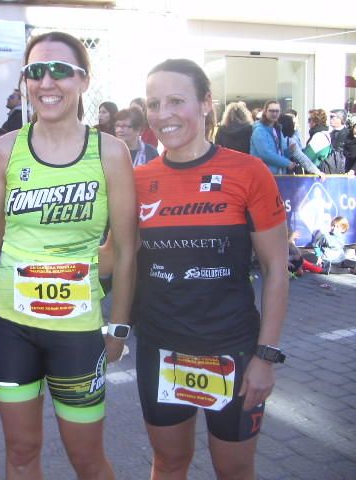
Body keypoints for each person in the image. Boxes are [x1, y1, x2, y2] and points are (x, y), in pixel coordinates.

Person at [0, 31, 137, 479]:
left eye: (60, 70)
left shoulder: (111, 152)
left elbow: (129, 250)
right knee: (20, 453)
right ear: (25, 82)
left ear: (84, 81)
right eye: (35, 71)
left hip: (76, 330)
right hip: (10, 325)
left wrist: (118, 327)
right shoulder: (5, 148)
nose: (47, 82)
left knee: (87, 459)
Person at [133, 58, 288, 479]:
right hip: (160, 348)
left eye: (176, 101)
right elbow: (118, 255)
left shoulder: (249, 172)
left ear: (205, 103)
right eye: (153, 103)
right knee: (168, 464)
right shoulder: (138, 180)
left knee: (233, 471)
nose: (163, 114)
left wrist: (265, 357)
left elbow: (277, 269)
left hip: (233, 350)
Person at [250, 100, 296, 174]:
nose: (274, 114)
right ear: (265, 112)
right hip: (263, 175)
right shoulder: (259, 131)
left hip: (278, 174)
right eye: (271, 111)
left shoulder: (277, 129)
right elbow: (265, 154)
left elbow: (280, 153)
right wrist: (287, 163)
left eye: (277, 111)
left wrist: (289, 151)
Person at [278, 114, 325, 178]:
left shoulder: (289, 141)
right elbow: (302, 158)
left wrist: (316, 171)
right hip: (282, 175)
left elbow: (301, 157)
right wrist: (316, 171)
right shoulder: (290, 141)